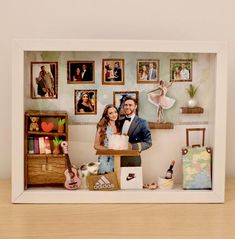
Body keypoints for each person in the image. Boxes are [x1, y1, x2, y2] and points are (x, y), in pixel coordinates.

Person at [120, 97, 152, 166]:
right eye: (125, 105)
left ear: (135, 107)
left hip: (133, 160)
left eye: (130, 105)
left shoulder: (142, 122)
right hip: (118, 159)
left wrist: (132, 146)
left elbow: (148, 143)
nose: (127, 107)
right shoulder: (119, 122)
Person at [94, 104, 121, 174]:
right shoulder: (102, 127)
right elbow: (96, 145)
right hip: (105, 159)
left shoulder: (119, 126)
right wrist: (109, 150)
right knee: (105, 182)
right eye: (110, 113)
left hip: (117, 159)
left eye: (115, 112)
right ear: (107, 115)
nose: (114, 115)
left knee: (117, 182)